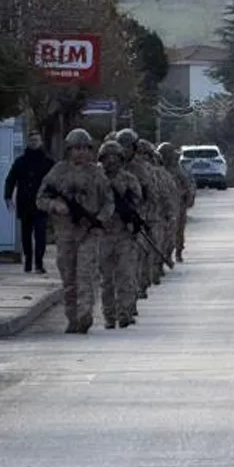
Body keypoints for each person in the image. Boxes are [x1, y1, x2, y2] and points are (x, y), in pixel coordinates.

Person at [35, 128, 114, 334]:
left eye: (84, 148)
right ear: (68, 150)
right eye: (76, 148)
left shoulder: (97, 174)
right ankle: (72, 318)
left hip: (89, 233)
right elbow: (40, 199)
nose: (80, 153)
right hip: (65, 233)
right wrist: (55, 205)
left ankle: (85, 315)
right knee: (69, 278)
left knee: (86, 274)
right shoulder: (58, 172)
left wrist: (99, 220)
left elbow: (109, 202)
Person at [97, 140, 142, 329]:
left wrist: (132, 217)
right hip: (103, 234)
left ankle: (125, 313)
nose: (111, 161)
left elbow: (138, 201)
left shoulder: (129, 180)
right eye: (108, 158)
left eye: (115, 157)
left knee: (125, 275)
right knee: (106, 279)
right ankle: (109, 316)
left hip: (124, 234)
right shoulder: (97, 180)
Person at [115, 129, 161, 306]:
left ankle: (131, 299)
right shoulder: (109, 167)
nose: (125, 150)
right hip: (112, 223)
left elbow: (151, 194)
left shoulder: (141, 169)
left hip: (136, 220)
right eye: (122, 146)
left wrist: (145, 218)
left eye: (128, 147)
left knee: (133, 261)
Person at [4, 132, 56, 273]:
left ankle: (39, 263)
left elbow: (56, 181)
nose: (34, 143)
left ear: (41, 142)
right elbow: (11, 179)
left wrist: (55, 199)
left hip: (42, 203)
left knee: (40, 234)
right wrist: (7, 196)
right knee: (26, 234)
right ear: (28, 142)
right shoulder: (21, 161)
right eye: (32, 140)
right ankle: (28, 260)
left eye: (36, 140)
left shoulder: (48, 162)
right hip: (25, 202)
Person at [137, 138, 177, 285]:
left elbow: (164, 193)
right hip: (136, 219)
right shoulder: (127, 170)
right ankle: (141, 280)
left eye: (144, 154)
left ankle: (149, 275)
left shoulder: (156, 173)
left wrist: (168, 212)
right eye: (139, 154)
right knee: (138, 251)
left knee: (153, 248)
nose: (141, 157)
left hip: (154, 217)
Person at [158, 142, 196, 262]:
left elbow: (188, 185)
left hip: (178, 204)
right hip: (163, 205)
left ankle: (178, 252)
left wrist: (188, 198)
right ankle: (166, 253)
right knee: (166, 231)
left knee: (178, 230)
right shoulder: (158, 170)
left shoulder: (178, 169)